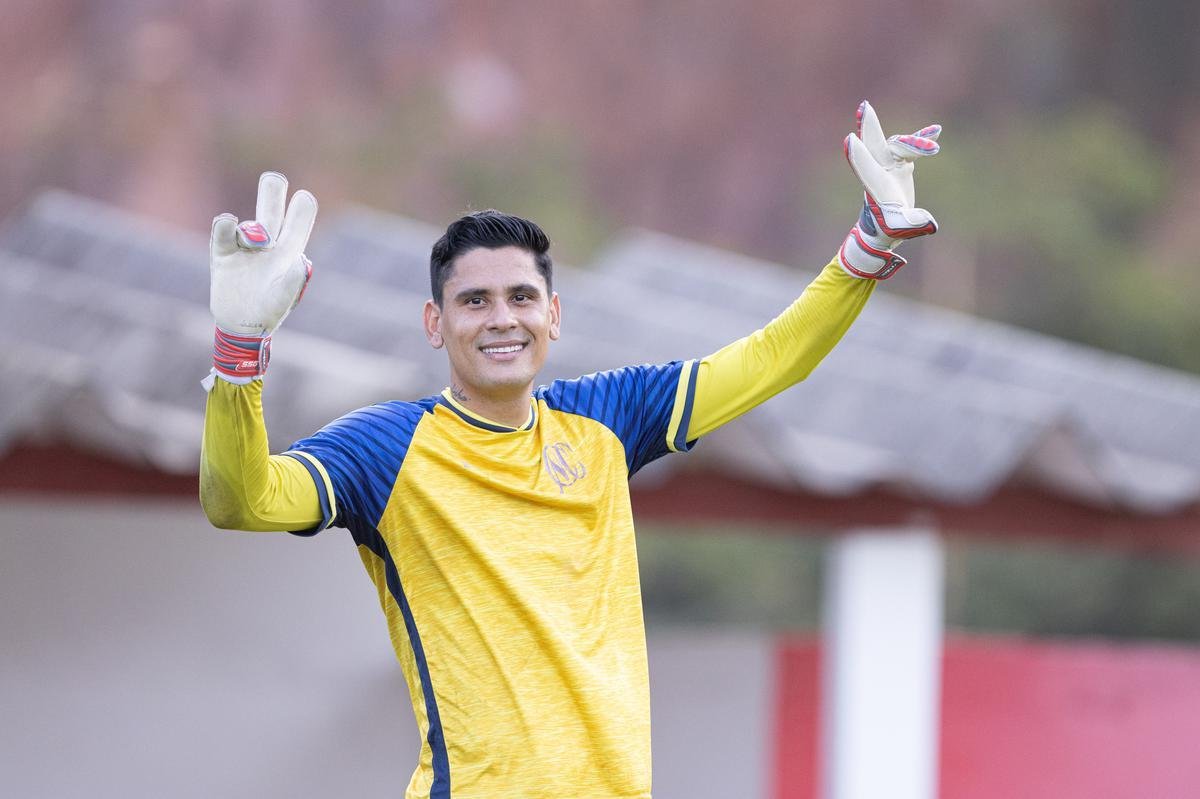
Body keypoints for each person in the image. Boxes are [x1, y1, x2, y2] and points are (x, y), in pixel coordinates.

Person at [200, 101, 940, 799]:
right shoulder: (386, 448)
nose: (502, 318)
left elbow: (772, 360)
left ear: (553, 314)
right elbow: (243, 501)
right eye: (474, 300)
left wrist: (867, 246)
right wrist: (239, 352)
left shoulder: (606, 418)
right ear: (434, 322)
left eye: (521, 297)